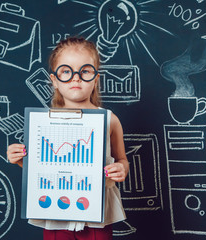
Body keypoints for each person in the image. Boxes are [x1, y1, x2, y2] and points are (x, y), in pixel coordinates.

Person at [7, 36, 129, 240]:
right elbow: (42, 167)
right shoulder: (42, 123)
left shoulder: (110, 120)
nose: (76, 78)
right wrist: (21, 160)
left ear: (96, 79)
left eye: (85, 71)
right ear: (54, 80)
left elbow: (123, 159)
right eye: (66, 71)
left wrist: (121, 169)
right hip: (56, 211)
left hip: (97, 212)